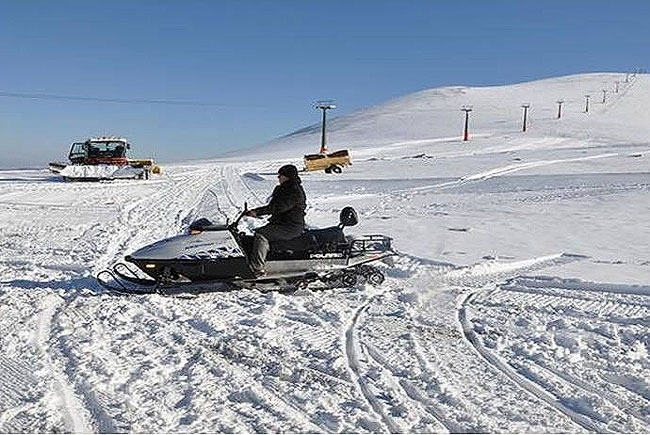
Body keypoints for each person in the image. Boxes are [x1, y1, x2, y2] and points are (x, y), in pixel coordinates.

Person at [245, 164, 306, 276]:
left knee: (261, 234)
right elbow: (274, 206)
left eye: (280, 175)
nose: (278, 178)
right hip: (282, 223)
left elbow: (279, 207)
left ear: (287, 176)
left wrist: (257, 211)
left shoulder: (293, 191)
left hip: (290, 226)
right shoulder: (284, 188)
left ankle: (257, 268)